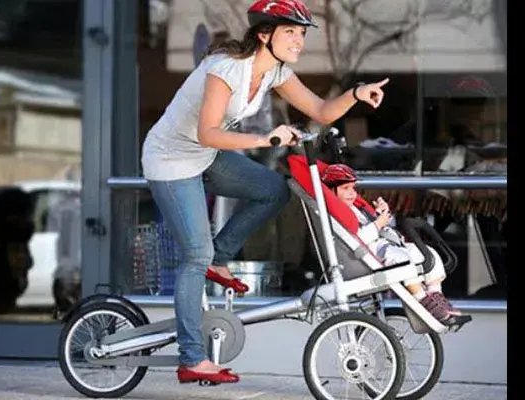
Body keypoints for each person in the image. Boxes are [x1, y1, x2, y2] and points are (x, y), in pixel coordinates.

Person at [141, 0, 390, 385]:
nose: (299, 40)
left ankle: (219, 257)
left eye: (302, 33)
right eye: (290, 32)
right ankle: (192, 357)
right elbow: (208, 131)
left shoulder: (273, 71)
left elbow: (322, 111)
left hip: (205, 156)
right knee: (195, 254)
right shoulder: (225, 69)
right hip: (171, 160)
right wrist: (265, 136)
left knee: (274, 191)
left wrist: (357, 93)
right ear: (264, 34)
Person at [321, 163, 472, 325]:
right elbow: (358, 239)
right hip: (371, 254)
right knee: (403, 261)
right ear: (332, 191)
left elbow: (380, 227)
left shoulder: (354, 208)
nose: (352, 193)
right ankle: (423, 300)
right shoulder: (336, 215)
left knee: (428, 253)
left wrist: (382, 215)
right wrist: (378, 224)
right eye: (346, 188)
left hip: (385, 245)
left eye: (353, 188)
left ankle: (436, 295)